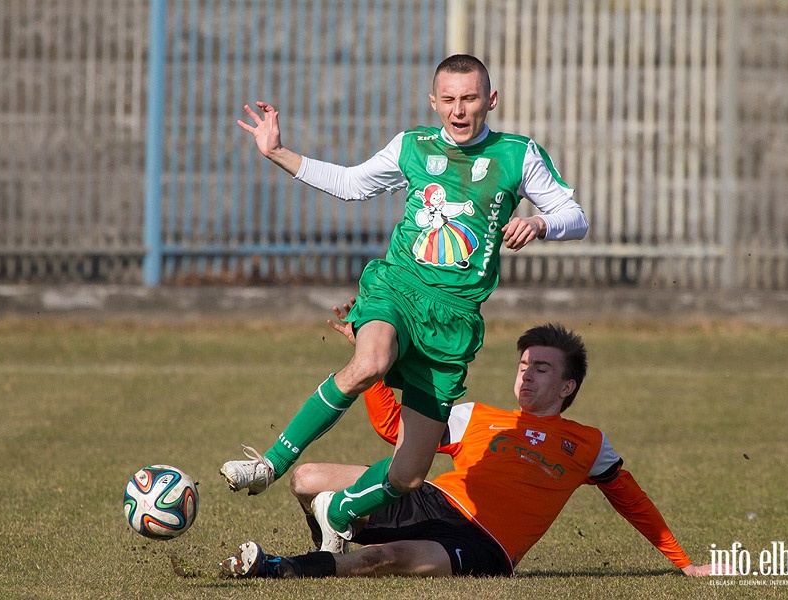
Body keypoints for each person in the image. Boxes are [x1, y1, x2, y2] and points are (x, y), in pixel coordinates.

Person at [220, 54, 588, 554]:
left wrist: (542, 223)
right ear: (434, 101)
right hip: (398, 287)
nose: (459, 110)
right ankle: (268, 464)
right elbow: (352, 184)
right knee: (370, 362)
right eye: (450, 99)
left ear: (491, 100)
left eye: (471, 98)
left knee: (410, 473)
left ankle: (340, 511)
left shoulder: (517, 155)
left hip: (454, 319)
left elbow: (575, 215)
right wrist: (278, 152)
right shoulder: (412, 146)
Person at [220, 313, 723, 579]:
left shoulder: (590, 444)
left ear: (568, 387)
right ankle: (333, 540)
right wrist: (367, 363)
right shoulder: (478, 416)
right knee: (306, 478)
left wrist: (683, 562)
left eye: (541, 368)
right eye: (523, 365)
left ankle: (279, 569)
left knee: (390, 557)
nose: (526, 374)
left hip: (486, 546)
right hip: (434, 499)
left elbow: (631, 500)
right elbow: (396, 431)